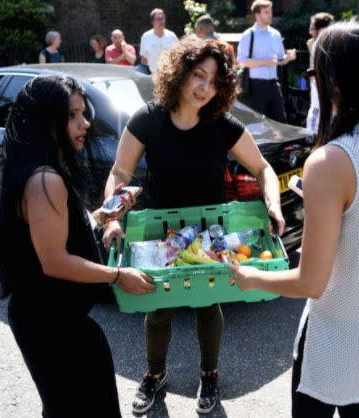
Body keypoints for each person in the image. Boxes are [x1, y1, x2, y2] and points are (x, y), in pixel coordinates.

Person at [230, 18, 359, 417]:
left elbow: (310, 282)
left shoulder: (332, 160)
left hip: (337, 333)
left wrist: (250, 278)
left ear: (332, 81)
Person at [102, 36, 285, 414]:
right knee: (158, 306)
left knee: (207, 304)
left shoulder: (222, 125)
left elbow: (263, 168)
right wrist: (113, 217)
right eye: (198, 75)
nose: (205, 87)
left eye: (215, 81)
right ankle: (155, 375)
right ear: (180, 73)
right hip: (158, 229)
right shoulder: (148, 119)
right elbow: (120, 171)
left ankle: (210, 373)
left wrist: (273, 204)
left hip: (208, 232)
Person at [0, 75, 155, 416]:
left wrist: (102, 219)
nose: (85, 123)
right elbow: (54, 260)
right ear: (45, 121)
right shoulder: (45, 180)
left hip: (43, 316)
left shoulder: (36, 171)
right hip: (53, 324)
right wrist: (117, 275)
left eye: (83, 113)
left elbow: (52, 235)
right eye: (72, 115)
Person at [237, 0, 297, 123]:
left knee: (281, 122)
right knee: (258, 125)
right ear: (257, 15)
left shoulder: (276, 34)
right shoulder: (248, 35)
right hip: (256, 86)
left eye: (271, 12)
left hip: (274, 85)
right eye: (266, 12)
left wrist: (288, 58)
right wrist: (264, 61)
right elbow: (242, 61)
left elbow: (279, 61)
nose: (270, 15)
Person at [305, 12, 334, 134]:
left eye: (313, 28)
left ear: (320, 29)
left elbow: (314, 71)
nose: (311, 31)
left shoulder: (320, 43)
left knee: (314, 137)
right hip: (326, 101)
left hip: (321, 101)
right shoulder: (327, 42)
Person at [139, 8, 178, 74]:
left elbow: (177, 56)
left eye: (162, 18)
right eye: (158, 19)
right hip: (151, 75)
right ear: (152, 22)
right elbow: (144, 59)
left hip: (168, 76)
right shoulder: (145, 36)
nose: (161, 21)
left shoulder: (172, 36)